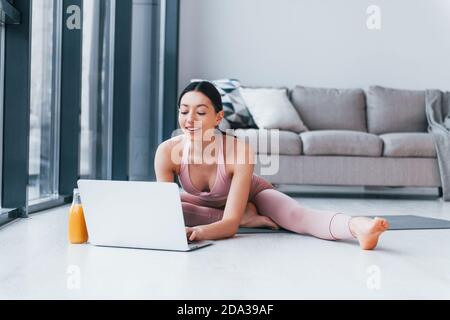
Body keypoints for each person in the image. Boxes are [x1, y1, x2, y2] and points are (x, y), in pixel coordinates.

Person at [154, 81, 389, 250]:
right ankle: (247, 216)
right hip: (207, 203)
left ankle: (357, 227)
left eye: (201, 112)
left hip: (254, 193)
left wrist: (199, 232)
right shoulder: (167, 152)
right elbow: (165, 213)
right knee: (170, 205)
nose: (189, 119)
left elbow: (229, 226)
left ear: (217, 117)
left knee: (297, 216)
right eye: (184, 111)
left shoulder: (239, 151)